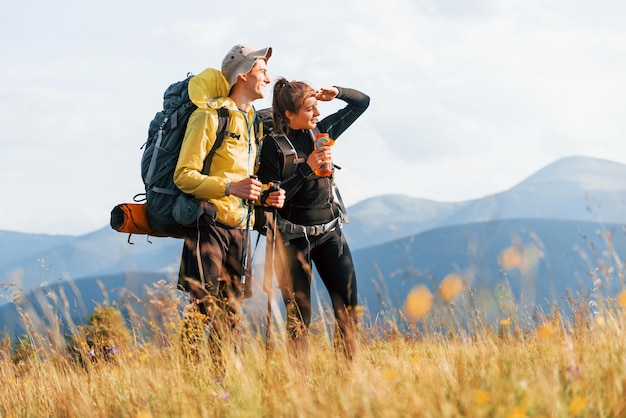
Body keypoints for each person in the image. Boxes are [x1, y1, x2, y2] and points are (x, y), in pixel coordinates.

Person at [173, 44, 285, 362]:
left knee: (231, 317)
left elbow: (244, 183)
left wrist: (266, 195)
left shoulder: (252, 124)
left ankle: (222, 388)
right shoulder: (208, 117)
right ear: (243, 74)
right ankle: (188, 387)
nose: (267, 77)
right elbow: (184, 176)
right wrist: (229, 187)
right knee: (203, 308)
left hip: (240, 230)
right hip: (207, 224)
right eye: (262, 71)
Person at [257, 77, 370, 360]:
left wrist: (338, 93)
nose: (317, 113)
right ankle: (300, 384)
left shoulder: (322, 130)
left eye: (317, 107)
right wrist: (306, 169)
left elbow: (362, 103)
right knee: (299, 318)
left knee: (347, 308)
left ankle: (347, 375)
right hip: (292, 238)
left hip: (330, 232)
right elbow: (273, 198)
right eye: (310, 109)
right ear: (288, 115)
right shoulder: (272, 146)